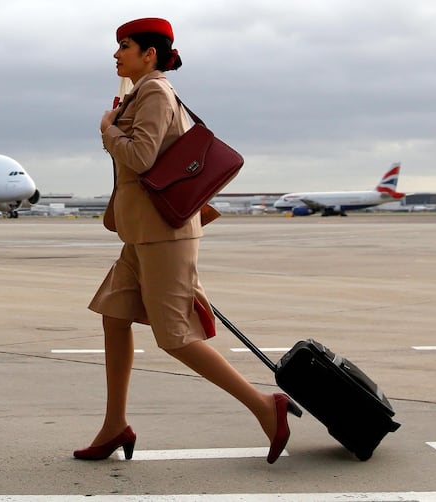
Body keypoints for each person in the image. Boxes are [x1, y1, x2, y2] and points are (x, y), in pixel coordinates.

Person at [73, 17, 301, 464]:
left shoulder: (156, 92)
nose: (116, 55)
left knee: (175, 337)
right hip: (143, 232)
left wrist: (108, 129)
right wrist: (117, 121)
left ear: (149, 54)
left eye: (124, 46)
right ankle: (114, 425)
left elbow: (139, 156)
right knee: (114, 316)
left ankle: (265, 406)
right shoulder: (140, 94)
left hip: (164, 233)